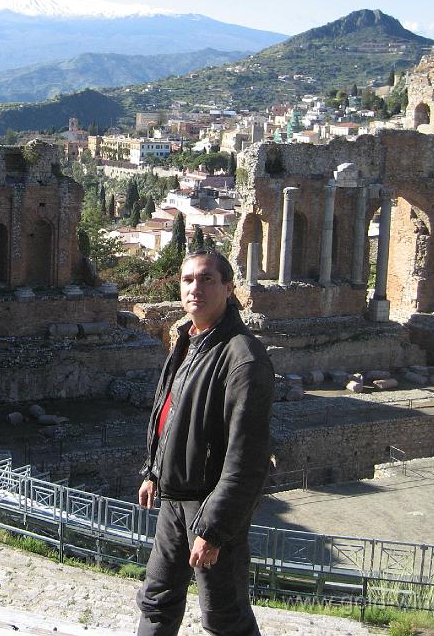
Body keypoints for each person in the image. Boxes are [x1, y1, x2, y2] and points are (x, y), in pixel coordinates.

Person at [136, 249, 274, 636]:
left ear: (229, 289)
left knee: (223, 615)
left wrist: (214, 529)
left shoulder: (243, 356)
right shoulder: (186, 339)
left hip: (212, 505)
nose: (195, 287)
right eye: (187, 280)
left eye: (207, 279)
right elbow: (170, 413)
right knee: (157, 598)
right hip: (174, 498)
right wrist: (152, 470)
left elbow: (247, 457)